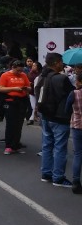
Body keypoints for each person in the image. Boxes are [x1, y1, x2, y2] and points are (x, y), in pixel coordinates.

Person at [36, 52, 74, 187]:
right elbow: (72, 94)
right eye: (61, 62)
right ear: (56, 63)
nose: (62, 64)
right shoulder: (61, 79)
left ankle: (46, 173)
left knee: (47, 145)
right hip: (59, 117)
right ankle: (58, 177)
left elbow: (36, 90)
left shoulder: (43, 76)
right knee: (60, 147)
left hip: (46, 115)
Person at [0, 60, 31, 155]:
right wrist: (14, 89)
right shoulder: (5, 75)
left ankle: (15, 145)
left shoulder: (23, 75)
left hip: (21, 101)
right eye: (18, 71)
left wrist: (27, 88)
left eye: (21, 70)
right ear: (13, 67)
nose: (19, 72)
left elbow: (29, 87)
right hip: (10, 101)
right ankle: (8, 146)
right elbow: (0, 88)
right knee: (10, 124)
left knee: (19, 124)